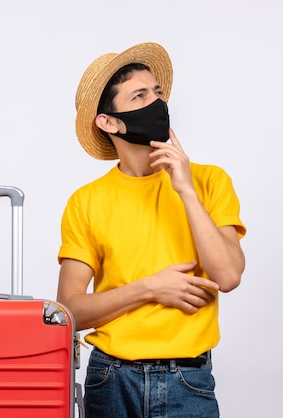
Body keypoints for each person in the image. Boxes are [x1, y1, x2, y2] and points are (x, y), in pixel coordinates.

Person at [56, 42, 246, 418]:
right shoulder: (87, 201)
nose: (157, 102)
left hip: (188, 380)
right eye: (139, 95)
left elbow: (227, 275)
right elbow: (69, 312)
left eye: (157, 92)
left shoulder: (209, 181)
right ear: (108, 122)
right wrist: (150, 288)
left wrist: (186, 190)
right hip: (110, 379)